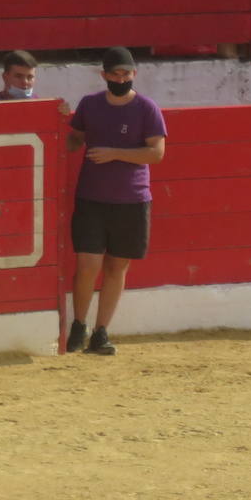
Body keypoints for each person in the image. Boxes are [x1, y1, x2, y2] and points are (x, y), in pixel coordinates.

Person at [66, 47, 168, 357]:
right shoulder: (89, 105)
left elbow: (157, 153)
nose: (121, 78)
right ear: (105, 75)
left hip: (131, 200)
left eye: (126, 74)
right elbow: (73, 140)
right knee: (88, 264)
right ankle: (79, 325)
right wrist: (57, 122)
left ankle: (100, 332)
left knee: (116, 267)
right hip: (92, 197)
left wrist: (114, 153)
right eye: (115, 74)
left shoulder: (146, 108)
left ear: (134, 74)